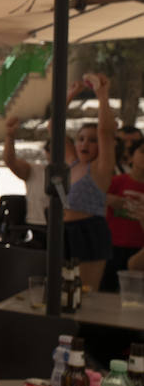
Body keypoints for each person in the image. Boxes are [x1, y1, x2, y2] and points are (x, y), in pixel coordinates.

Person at [65, 74, 118, 292]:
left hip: (89, 231)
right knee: (63, 293)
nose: (85, 143)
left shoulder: (100, 169)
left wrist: (102, 95)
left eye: (92, 140)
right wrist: (70, 94)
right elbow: (53, 127)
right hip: (64, 230)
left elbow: (106, 132)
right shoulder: (72, 163)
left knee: (86, 293)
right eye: (81, 138)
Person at [105, 141, 144, 292]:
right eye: (142, 151)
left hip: (139, 250)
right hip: (113, 245)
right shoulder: (117, 181)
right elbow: (94, 197)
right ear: (131, 156)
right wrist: (109, 199)